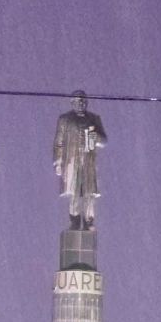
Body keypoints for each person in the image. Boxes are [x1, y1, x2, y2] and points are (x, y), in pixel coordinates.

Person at [54, 90, 107, 230]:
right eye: (78, 101)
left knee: (89, 192)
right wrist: (58, 162)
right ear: (72, 103)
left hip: (88, 160)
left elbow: (103, 140)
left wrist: (95, 137)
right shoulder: (65, 119)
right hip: (72, 161)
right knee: (75, 192)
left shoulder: (94, 118)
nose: (81, 104)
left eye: (83, 101)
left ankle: (89, 221)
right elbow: (59, 142)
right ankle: (75, 221)